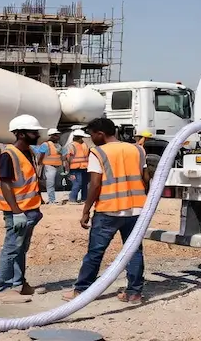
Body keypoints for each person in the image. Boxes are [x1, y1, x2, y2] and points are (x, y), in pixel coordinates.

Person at [64, 117, 148, 304]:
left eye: (92, 134)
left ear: (100, 134)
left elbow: (95, 184)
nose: (91, 138)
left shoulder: (98, 152)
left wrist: (86, 210)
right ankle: (134, 293)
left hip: (109, 210)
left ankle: (82, 291)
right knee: (134, 252)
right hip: (136, 210)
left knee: (95, 252)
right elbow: (146, 178)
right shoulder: (137, 149)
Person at [0, 114, 45, 303]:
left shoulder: (28, 152)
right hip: (17, 211)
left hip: (29, 209)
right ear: (21, 134)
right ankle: (1, 289)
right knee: (12, 249)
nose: (37, 134)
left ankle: (18, 285)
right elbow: (6, 184)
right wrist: (16, 212)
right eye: (33, 132)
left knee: (21, 248)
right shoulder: (8, 155)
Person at [34, 128, 63, 205]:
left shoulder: (58, 145)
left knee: (53, 184)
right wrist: (40, 165)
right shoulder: (45, 144)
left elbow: (62, 154)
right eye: (56, 135)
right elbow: (41, 155)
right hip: (49, 166)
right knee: (50, 183)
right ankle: (51, 200)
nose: (58, 136)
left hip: (57, 166)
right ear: (52, 136)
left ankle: (52, 199)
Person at [65, 129, 91, 204]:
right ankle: (72, 199)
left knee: (84, 184)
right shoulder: (71, 145)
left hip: (84, 167)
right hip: (75, 168)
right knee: (77, 183)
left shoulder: (84, 145)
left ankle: (84, 198)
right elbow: (67, 158)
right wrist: (67, 170)